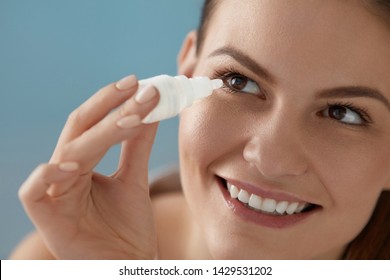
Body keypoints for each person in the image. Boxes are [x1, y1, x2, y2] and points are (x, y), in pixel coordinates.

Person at [10, 0, 390, 259]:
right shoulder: (58, 263)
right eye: (240, 82)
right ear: (186, 69)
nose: (270, 160)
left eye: (343, 113)